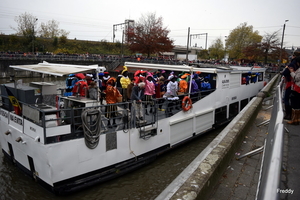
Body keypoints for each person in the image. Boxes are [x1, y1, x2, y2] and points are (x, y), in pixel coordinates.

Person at [287, 56, 300, 125]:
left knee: (295, 105)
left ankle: (294, 119)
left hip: (297, 89)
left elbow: (296, 78)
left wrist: (291, 72)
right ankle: (297, 119)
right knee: (298, 105)